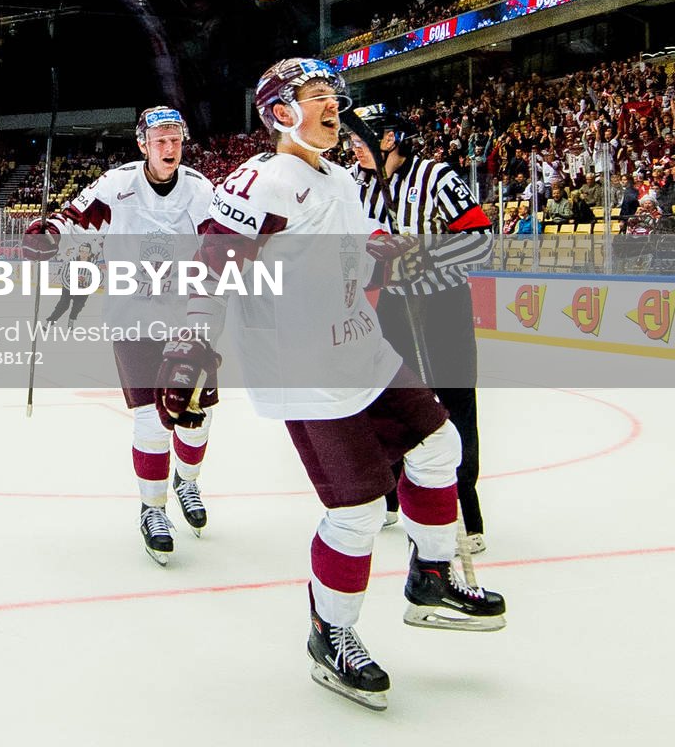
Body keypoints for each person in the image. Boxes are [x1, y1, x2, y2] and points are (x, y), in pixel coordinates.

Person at [174, 58, 504, 710]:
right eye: (317, 95)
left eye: (334, 93)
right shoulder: (263, 180)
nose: (333, 104)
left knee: (439, 447)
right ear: (279, 112)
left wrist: (380, 246)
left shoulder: (340, 175)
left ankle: (431, 579)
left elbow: (355, 236)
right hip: (306, 371)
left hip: (363, 350)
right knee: (354, 512)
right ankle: (333, 634)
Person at [24, 106, 216, 564]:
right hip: (132, 317)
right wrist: (47, 232)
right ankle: (152, 510)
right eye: (161, 140)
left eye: (176, 139)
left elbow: (221, 239)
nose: (170, 148)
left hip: (189, 316)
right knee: (151, 420)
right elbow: (74, 217)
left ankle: (187, 483)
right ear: (142, 144)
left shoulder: (201, 190)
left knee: (197, 418)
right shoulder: (117, 185)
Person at [349, 104, 495, 554]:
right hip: (392, 304)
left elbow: (481, 239)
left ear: (389, 139)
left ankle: (464, 508)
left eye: (361, 139)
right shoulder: (355, 185)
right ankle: (392, 493)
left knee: (453, 402)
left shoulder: (437, 178)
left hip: (444, 304)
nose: (353, 147)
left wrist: (426, 255)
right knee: (392, 399)